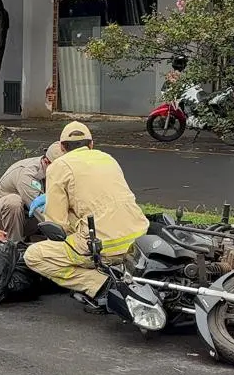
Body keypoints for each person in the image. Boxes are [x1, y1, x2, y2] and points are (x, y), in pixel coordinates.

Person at [23, 122, 149, 313]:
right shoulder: (107, 159)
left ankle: (100, 285)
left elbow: (57, 224)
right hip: (138, 240)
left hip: (103, 246)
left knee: (34, 256)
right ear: (91, 144)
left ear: (62, 147)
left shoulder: (59, 167)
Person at [0, 141, 67, 242]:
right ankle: (14, 245)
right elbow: (40, 211)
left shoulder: (54, 172)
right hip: (0, 219)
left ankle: (34, 238)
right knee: (13, 201)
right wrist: (64, 235)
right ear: (46, 162)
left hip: (26, 218)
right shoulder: (27, 175)